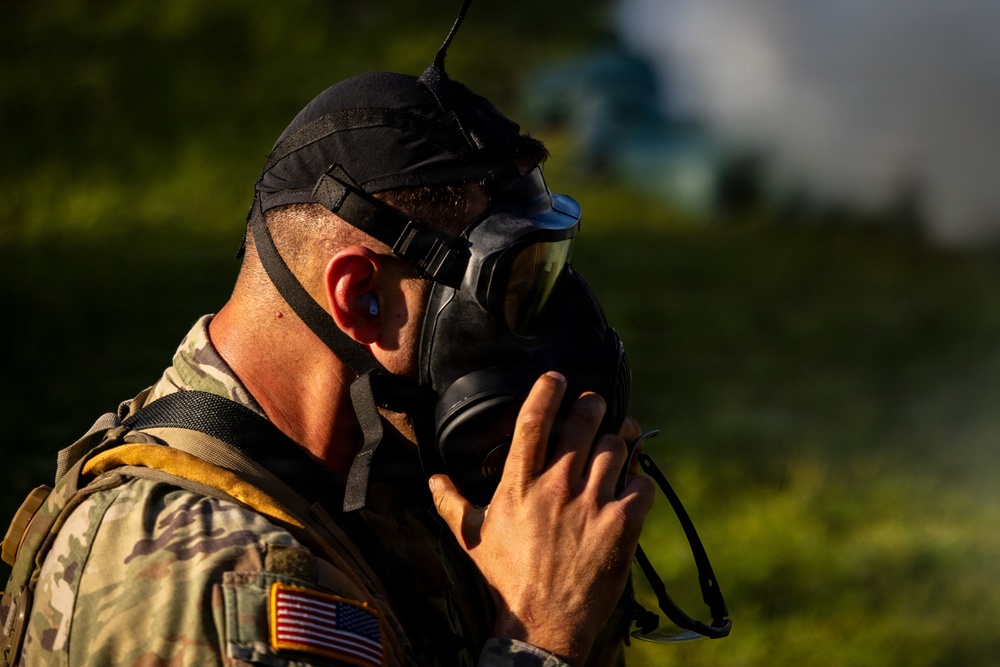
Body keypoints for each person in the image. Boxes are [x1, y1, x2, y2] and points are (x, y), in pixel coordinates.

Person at [0, 31, 655, 667]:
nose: (539, 333)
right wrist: (541, 635)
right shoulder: (225, 584)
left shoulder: (371, 476)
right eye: (504, 290)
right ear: (361, 296)